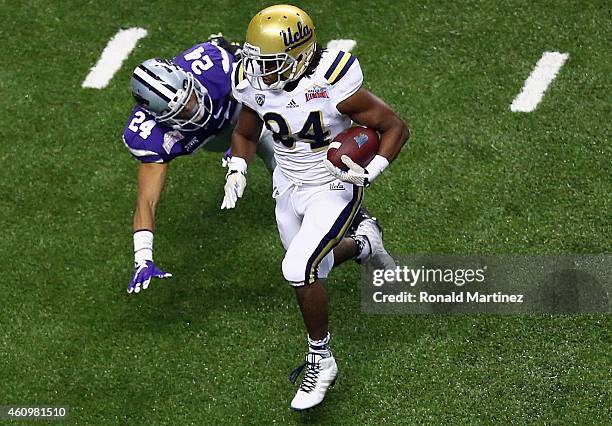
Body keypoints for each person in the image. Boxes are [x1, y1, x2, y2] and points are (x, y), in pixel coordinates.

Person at [221, 5, 410, 410]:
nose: (258, 71)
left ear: (301, 55)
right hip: (287, 182)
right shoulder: (252, 81)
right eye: (255, 60)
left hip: (333, 183)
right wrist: (237, 168)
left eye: (269, 62)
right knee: (314, 270)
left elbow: (394, 127)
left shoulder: (332, 80)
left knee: (296, 268)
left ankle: (320, 359)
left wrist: (370, 171)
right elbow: (245, 130)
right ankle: (365, 244)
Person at [123, 36, 276, 294]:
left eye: (191, 96)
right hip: (213, 138)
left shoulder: (214, 66)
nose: (194, 107)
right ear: (160, 118)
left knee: (278, 148)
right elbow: (146, 200)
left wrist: (242, 145)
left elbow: (264, 96)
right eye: (182, 110)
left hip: (237, 105)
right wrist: (143, 257)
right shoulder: (150, 137)